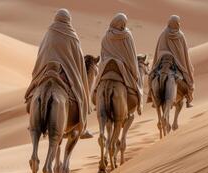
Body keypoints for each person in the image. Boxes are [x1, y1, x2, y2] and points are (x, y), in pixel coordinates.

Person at [24, 8, 92, 138]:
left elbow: (41, 54)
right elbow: (78, 61)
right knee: (80, 96)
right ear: (68, 20)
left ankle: (32, 122)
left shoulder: (49, 33)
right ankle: (81, 127)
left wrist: (39, 71)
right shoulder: (72, 36)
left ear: (56, 17)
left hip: (46, 70)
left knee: (34, 91)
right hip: (66, 73)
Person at [94, 13, 143, 115]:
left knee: (95, 86)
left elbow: (102, 57)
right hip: (123, 68)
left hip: (106, 66)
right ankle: (139, 106)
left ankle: (95, 102)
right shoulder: (127, 36)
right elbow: (131, 56)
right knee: (136, 87)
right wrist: (135, 73)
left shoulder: (106, 36)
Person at [151, 15, 195, 108]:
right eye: (178, 23)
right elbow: (184, 55)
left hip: (164, 61)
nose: (179, 24)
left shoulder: (163, 34)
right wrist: (182, 63)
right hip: (176, 63)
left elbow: (159, 50)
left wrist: (165, 54)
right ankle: (188, 99)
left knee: (153, 76)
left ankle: (153, 98)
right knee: (188, 75)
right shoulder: (181, 35)